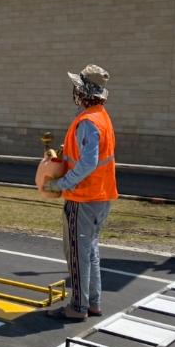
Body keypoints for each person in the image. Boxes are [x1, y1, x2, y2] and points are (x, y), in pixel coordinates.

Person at [44, 64, 118, 321]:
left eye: (77, 87)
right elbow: (91, 154)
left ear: (84, 92)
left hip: (83, 198)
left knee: (77, 253)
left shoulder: (87, 121)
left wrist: (61, 183)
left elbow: (88, 162)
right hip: (101, 195)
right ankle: (93, 302)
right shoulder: (101, 115)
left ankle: (78, 307)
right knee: (91, 251)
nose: (74, 91)